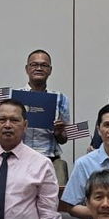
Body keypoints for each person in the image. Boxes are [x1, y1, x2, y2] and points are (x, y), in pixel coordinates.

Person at [18, 50, 72, 180]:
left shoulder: (61, 98)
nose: (39, 68)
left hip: (51, 159)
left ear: (50, 70)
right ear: (27, 69)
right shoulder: (14, 98)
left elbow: (64, 139)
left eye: (44, 65)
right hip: (20, 158)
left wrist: (59, 132)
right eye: (34, 64)